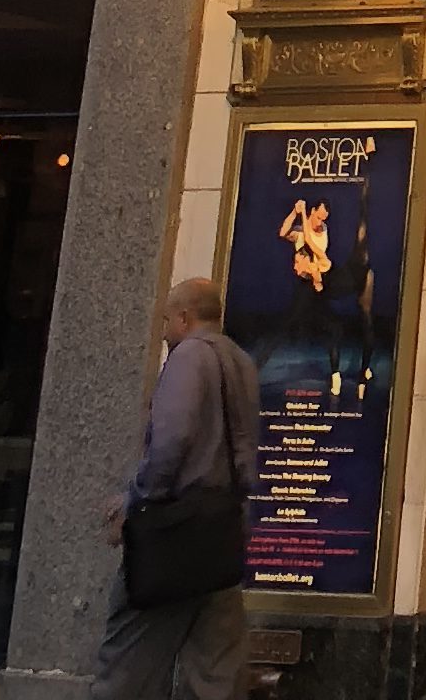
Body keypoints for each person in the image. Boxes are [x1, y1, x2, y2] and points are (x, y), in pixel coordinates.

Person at [91, 275, 261, 700]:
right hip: (222, 532)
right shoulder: (241, 362)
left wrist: (136, 500)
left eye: (166, 320)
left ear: (184, 318)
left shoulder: (188, 358)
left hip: (175, 535)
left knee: (128, 662)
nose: (164, 330)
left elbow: (171, 443)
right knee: (215, 672)